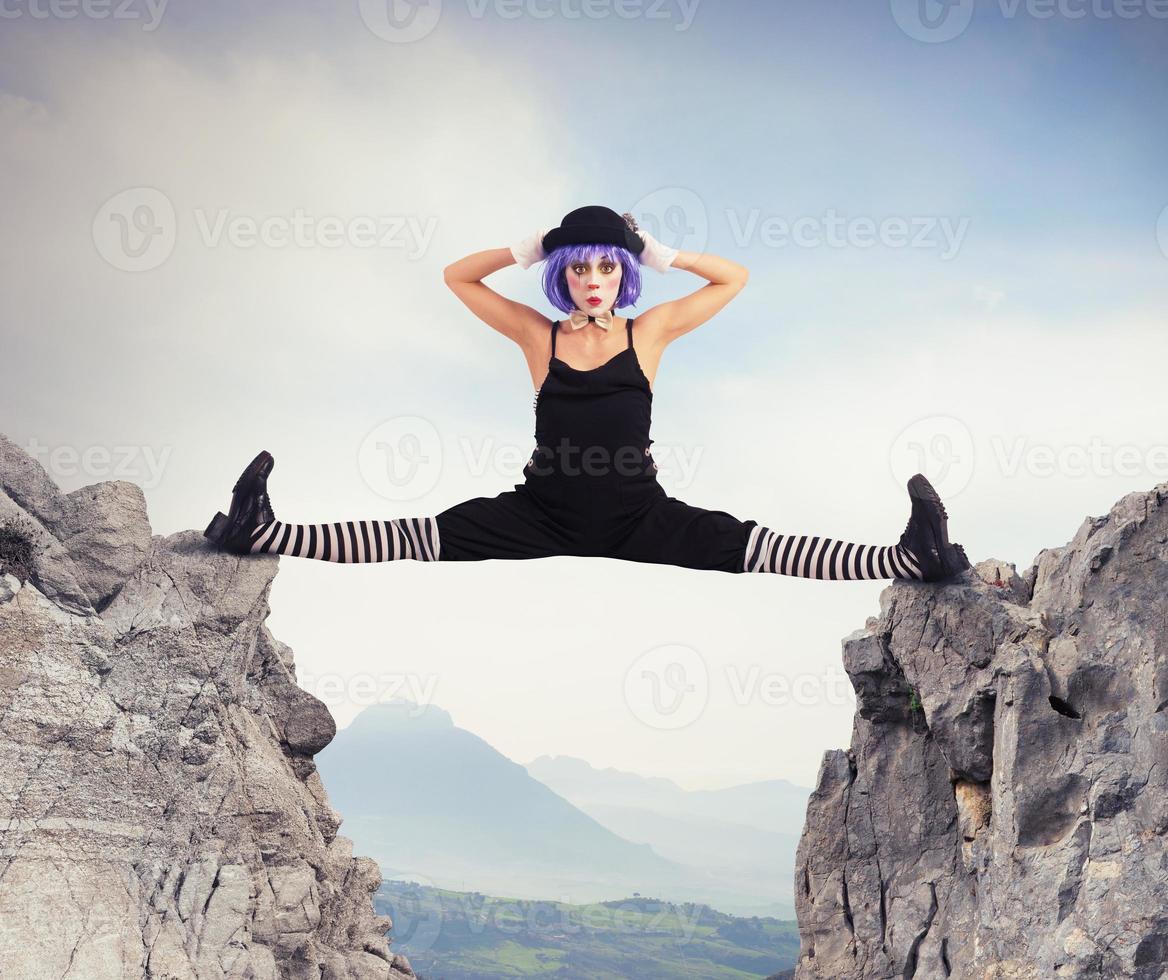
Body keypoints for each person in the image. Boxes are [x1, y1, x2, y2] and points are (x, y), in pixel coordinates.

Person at [204, 205, 970, 582]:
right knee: (419, 536)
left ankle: (912, 559)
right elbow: (457, 277)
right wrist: (536, 243)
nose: (594, 282)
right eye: (579, 268)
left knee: (755, 546)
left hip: (639, 514)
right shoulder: (539, 336)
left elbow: (734, 277)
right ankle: (260, 534)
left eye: (606, 269)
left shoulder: (652, 332)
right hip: (541, 511)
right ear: (563, 274)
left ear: (622, 275)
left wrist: (656, 249)